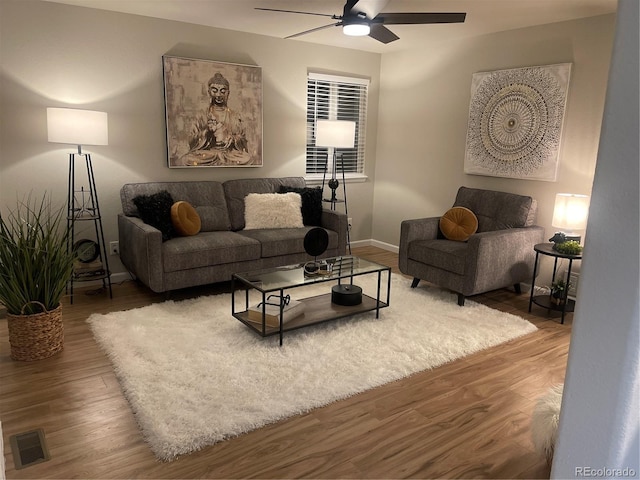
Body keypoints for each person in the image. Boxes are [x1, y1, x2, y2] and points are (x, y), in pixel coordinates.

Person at [181, 72, 251, 166]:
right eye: (214, 91)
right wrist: (207, 132)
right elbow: (192, 140)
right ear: (209, 92)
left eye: (223, 91)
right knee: (187, 159)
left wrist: (231, 138)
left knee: (247, 158)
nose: (218, 95)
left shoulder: (235, 116)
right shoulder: (202, 115)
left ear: (228, 93)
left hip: (229, 154)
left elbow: (243, 139)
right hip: (209, 154)